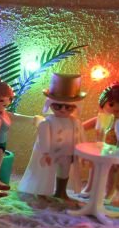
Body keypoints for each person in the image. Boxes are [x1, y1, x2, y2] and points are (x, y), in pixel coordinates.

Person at [18, 74, 85, 202]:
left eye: (68, 107)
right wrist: (45, 153)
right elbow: (44, 139)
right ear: (51, 105)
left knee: (64, 172)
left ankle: (60, 191)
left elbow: (80, 137)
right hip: (50, 153)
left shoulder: (75, 122)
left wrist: (81, 152)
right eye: (58, 106)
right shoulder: (47, 122)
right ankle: (41, 191)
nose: (63, 110)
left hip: (67, 153)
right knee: (45, 172)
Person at [0, 75, 36, 196]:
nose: (6, 102)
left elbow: (14, 116)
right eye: (1, 100)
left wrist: (32, 119)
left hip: (1, 145)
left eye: (8, 99)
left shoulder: (2, 113)